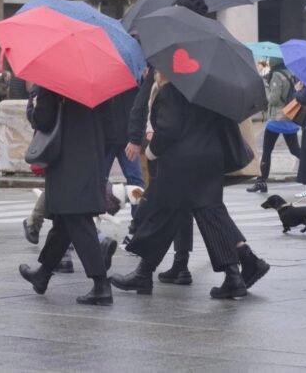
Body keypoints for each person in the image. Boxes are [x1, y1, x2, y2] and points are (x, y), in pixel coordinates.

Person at [110, 72, 270, 299]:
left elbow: (169, 128)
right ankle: (235, 273)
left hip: (181, 163)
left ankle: (144, 274)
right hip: (209, 158)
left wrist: (151, 151)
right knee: (208, 213)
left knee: (163, 212)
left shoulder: (174, 89)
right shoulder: (211, 87)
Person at [18, 87, 114, 305]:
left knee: (77, 219)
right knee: (64, 220)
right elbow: (109, 121)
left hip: (67, 158)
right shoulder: (95, 80)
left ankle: (101, 285)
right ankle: (43, 274)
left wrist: (34, 109)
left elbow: (44, 119)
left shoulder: (54, 80)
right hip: (91, 152)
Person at [246, 58, 301, 194]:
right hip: (289, 118)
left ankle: (261, 182)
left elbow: (273, 99)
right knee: (295, 149)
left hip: (277, 119)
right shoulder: (290, 73)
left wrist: (266, 89)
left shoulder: (276, 76)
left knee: (267, 151)